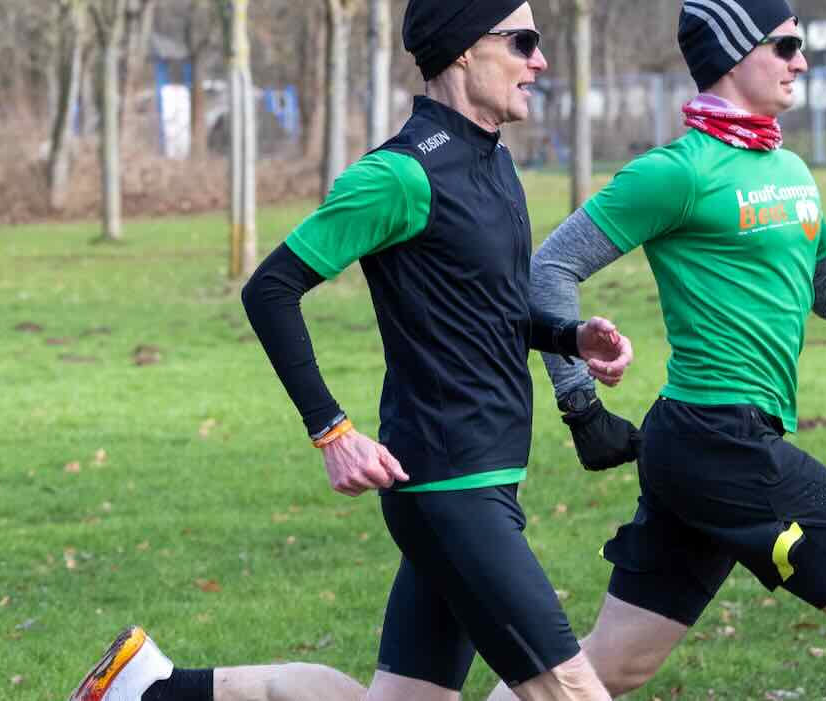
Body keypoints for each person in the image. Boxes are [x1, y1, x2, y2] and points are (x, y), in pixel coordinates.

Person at [65, 3, 631, 700]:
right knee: (572, 690)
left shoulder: (496, 166)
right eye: (522, 42)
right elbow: (270, 291)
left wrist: (567, 336)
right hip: (447, 487)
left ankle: (150, 689)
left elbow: (495, 308)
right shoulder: (397, 177)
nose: (539, 61)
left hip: (488, 476)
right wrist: (331, 429)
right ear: (461, 52)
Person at [492, 1, 826, 699]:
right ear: (734, 54)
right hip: (719, 438)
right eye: (785, 46)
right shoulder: (677, 172)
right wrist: (580, 403)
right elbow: (549, 268)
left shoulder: (790, 169)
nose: (801, 61)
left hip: (698, 448)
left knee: (608, 667)